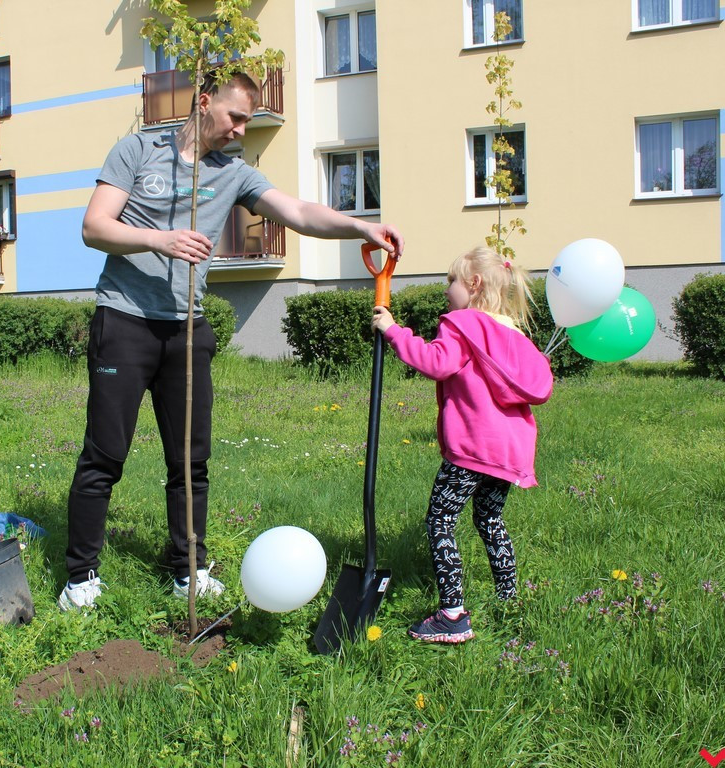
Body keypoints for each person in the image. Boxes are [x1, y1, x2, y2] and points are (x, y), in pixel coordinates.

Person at [58, 70, 405, 611]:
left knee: (190, 461)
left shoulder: (235, 173)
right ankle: (81, 576)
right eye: (235, 117)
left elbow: (299, 213)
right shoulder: (138, 150)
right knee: (105, 456)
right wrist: (160, 239)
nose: (241, 130)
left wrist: (362, 226)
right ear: (204, 102)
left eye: (247, 121)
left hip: (187, 330)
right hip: (124, 321)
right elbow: (93, 227)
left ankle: (188, 571)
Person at [371, 246, 553, 642]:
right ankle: (510, 601)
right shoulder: (512, 333)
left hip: (473, 447)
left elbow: (437, 362)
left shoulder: (462, 324)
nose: (447, 288)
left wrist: (393, 330)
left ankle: (452, 615)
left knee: (440, 519)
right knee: (489, 519)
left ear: (473, 284)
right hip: (508, 450)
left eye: (451, 280)